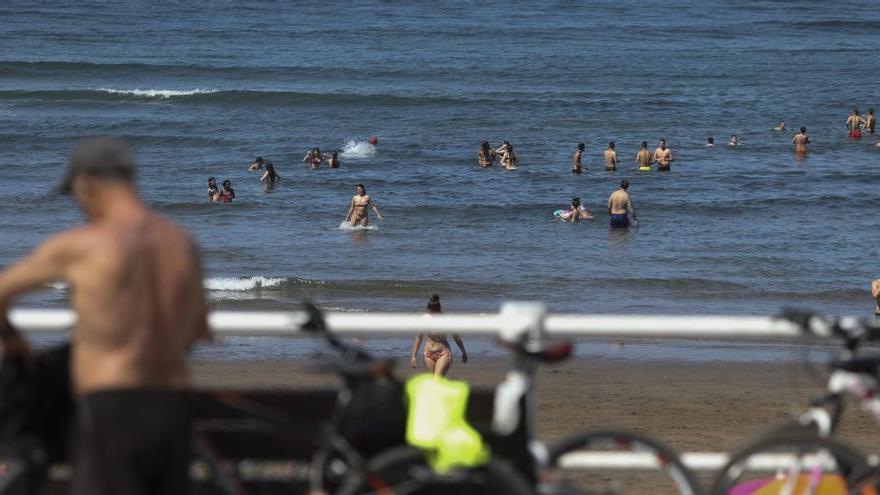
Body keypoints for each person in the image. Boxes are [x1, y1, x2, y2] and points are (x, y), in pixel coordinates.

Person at [0, 137, 209, 495]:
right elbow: (197, 330)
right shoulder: (181, 243)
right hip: (173, 408)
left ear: (87, 184)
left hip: (112, 408)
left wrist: (12, 339)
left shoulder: (83, 245)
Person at [410, 295, 467, 376]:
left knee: (437, 379)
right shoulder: (425, 318)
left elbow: (456, 336)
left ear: (438, 310)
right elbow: (419, 337)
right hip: (428, 354)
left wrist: (463, 351)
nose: (431, 314)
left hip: (443, 353)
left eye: (433, 312)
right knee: (434, 382)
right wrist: (414, 356)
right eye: (430, 311)